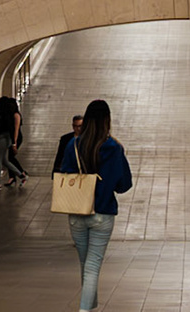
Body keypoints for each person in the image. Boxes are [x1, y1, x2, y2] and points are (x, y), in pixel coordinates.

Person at [57, 98, 133, 312]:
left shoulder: (74, 144)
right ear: (107, 120)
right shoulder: (113, 147)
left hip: (77, 211)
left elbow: (64, 170)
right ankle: (84, 309)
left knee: (86, 265)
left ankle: (90, 306)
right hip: (102, 213)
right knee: (92, 266)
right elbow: (124, 184)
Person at [0, 93, 29, 187]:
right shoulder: (8, 115)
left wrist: (14, 143)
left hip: (14, 137)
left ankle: (20, 174)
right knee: (7, 159)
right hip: (11, 137)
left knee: (8, 158)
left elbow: (16, 129)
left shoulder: (15, 115)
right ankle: (16, 176)